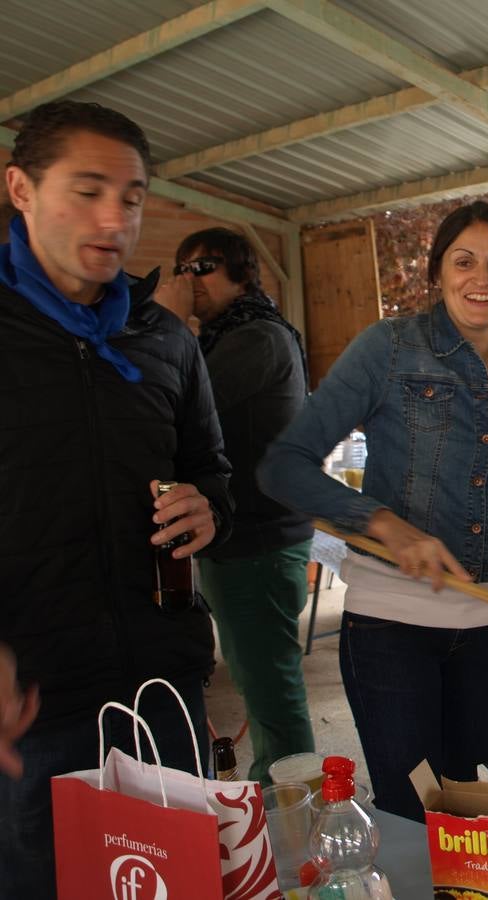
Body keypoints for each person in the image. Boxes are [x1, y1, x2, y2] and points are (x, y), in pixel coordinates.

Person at [259, 201, 488, 822]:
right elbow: (284, 465)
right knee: (408, 813)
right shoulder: (389, 349)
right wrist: (383, 524)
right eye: (464, 261)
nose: (481, 278)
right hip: (390, 623)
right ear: (437, 274)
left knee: (474, 812)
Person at [0, 100, 232, 896]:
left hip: (160, 686)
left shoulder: (164, 341)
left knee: (179, 882)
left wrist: (210, 508)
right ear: (21, 188)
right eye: (88, 190)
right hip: (29, 704)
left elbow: (213, 470)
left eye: (131, 198)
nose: (114, 218)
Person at [154, 227, 315, 783]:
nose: (187, 280)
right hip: (247, 537)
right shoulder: (230, 335)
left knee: (271, 689)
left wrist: (166, 325)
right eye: (182, 267)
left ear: (242, 271)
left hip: (259, 542)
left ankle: (291, 808)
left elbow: (174, 402)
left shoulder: (256, 337)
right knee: (261, 681)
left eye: (203, 267)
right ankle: (281, 793)